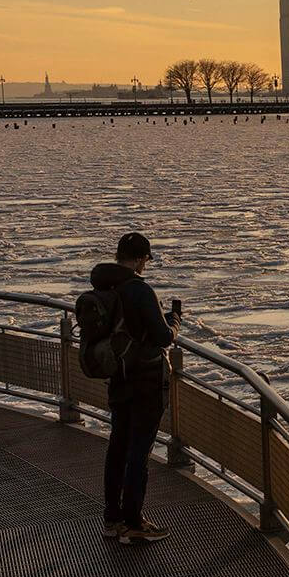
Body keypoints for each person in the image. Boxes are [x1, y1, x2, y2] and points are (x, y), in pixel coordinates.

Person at [90, 232, 178, 544]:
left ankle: (113, 519)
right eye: (145, 259)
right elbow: (162, 337)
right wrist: (173, 324)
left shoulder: (104, 285)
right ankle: (134, 523)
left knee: (118, 446)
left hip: (119, 377)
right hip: (145, 380)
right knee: (138, 452)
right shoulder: (139, 290)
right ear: (141, 259)